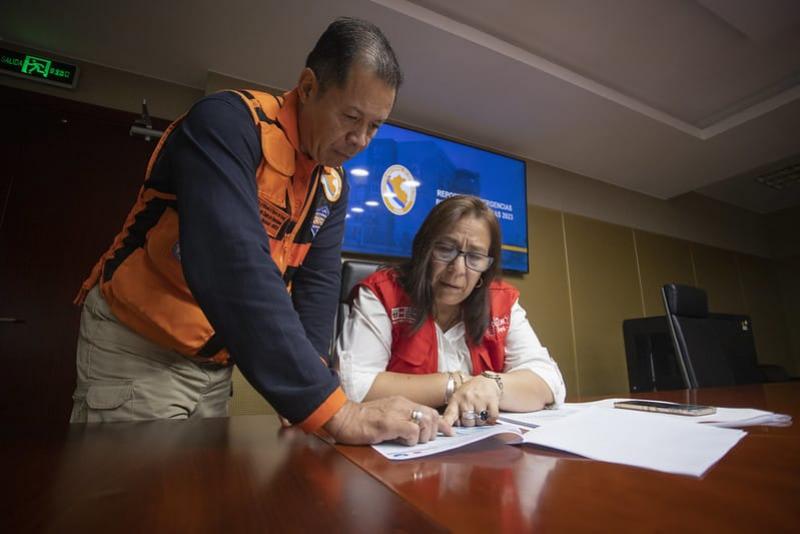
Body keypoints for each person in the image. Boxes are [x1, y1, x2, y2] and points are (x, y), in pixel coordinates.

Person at [69, 17, 450, 445]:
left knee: (197, 484)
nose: (360, 139)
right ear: (308, 87)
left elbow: (317, 286)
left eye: (375, 126)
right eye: (351, 116)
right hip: (141, 346)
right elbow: (231, 261)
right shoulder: (229, 124)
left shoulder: (332, 184)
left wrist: (310, 382)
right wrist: (334, 410)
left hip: (215, 366)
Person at [336, 195, 566, 426]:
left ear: (486, 268)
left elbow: (549, 381)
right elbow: (352, 385)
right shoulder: (383, 292)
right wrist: (456, 384)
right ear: (425, 249)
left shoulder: (501, 301)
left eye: (475, 257)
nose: (457, 269)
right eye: (446, 249)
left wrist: (493, 386)